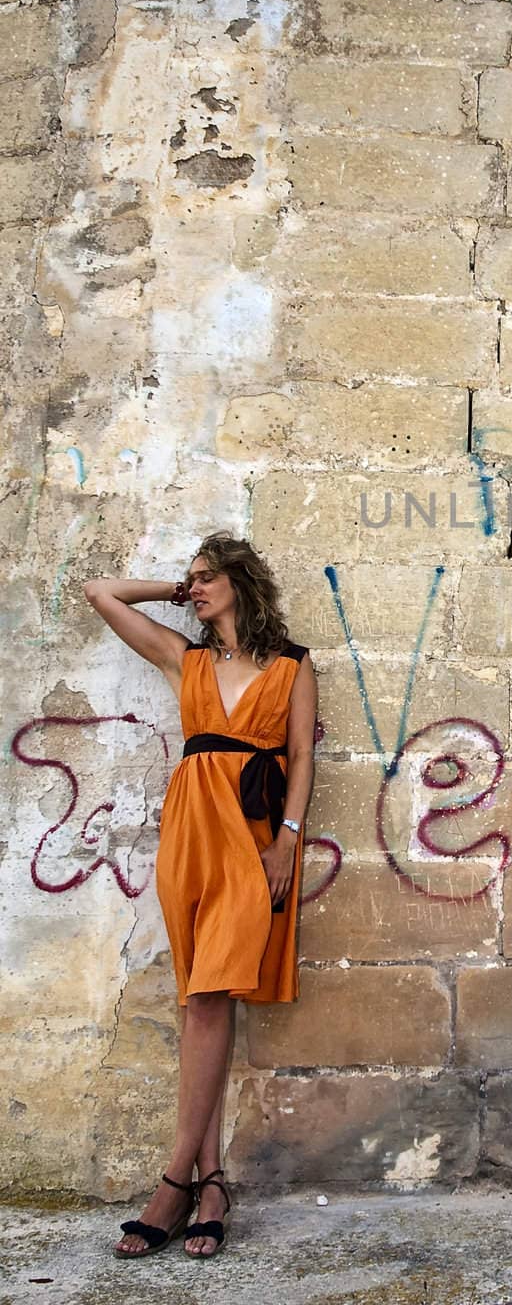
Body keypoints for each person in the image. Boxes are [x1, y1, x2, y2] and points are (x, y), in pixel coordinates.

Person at [84, 530, 317, 1259]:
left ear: (240, 581)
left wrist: (286, 840)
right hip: (190, 834)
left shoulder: (292, 665)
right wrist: (172, 591)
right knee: (200, 999)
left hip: (253, 838)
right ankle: (213, 1179)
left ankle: (174, 1180)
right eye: (191, 579)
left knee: (212, 995)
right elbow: (101, 594)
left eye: (206, 576)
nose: (195, 586)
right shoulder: (182, 657)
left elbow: (305, 754)